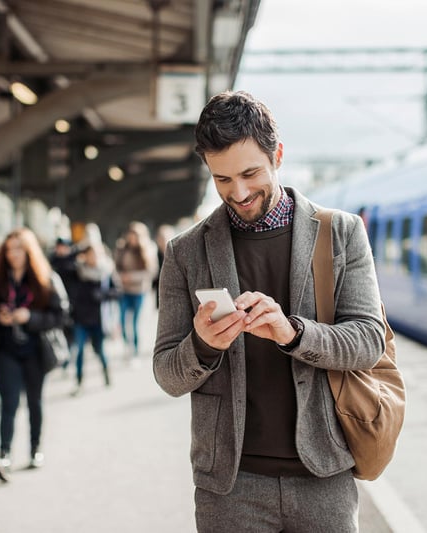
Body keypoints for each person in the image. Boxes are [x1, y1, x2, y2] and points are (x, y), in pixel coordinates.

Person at [152, 91, 386, 532]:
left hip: (324, 475)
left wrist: (293, 332)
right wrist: (202, 346)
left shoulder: (341, 233)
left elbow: (369, 342)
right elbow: (166, 373)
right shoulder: (185, 252)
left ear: (277, 155)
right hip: (229, 484)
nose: (238, 193)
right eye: (222, 180)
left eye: (250, 173)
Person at [0, 227, 68, 482]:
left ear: (29, 250)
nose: (14, 254)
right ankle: (4, 454)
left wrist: (30, 317)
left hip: (36, 349)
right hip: (6, 349)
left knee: (35, 401)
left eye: (19, 248)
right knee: (8, 402)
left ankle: (35, 449)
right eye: (9, 249)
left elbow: (61, 315)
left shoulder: (46, 278)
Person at [70, 240, 118, 394]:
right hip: (81, 318)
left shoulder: (106, 272)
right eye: (90, 254)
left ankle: (106, 373)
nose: (93, 257)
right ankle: (78, 381)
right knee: (79, 351)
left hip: (99, 320)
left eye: (96, 254)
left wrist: (102, 295)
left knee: (100, 350)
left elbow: (117, 292)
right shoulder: (77, 271)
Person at [113, 221, 157, 360]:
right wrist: (121, 278)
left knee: (136, 322)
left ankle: (136, 351)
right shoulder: (121, 249)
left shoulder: (147, 249)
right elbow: (115, 269)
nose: (132, 239)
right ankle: (127, 346)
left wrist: (130, 277)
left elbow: (151, 272)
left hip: (139, 291)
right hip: (124, 291)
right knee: (122, 319)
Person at [49, 236, 80, 369]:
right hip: (57, 302)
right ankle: (63, 356)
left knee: (71, 332)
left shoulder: (75, 261)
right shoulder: (52, 261)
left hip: (73, 302)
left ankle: (68, 356)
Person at [153, 224, 175, 309]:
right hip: (159, 290)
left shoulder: (175, 254)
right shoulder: (155, 253)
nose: (163, 240)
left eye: (165, 237)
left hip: (173, 291)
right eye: (161, 238)